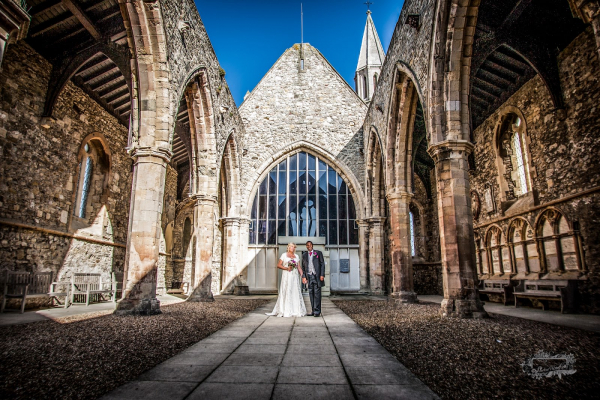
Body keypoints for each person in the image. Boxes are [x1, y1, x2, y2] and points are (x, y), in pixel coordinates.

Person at [266, 242, 307, 317]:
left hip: (294, 276)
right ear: (288, 247)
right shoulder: (284, 255)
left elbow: (299, 267)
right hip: (287, 275)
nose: (293, 248)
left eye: (294, 247)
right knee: (286, 290)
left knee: (295, 291)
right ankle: (285, 310)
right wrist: (286, 268)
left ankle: (295, 310)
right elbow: (278, 265)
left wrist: (303, 276)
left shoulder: (297, 256)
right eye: (291, 246)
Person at [302, 240, 325, 317]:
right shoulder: (304, 255)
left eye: (310, 245)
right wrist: (304, 276)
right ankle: (313, 310)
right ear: (306, 246)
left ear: (312, 246)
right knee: (311, 294)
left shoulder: (318, 253)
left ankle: (317, 311)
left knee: (317, 294)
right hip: (309, 276)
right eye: (307, 245)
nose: (309, 246)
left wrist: (322, 275)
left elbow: (322, 264)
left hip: (317, 276)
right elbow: (303, 267)